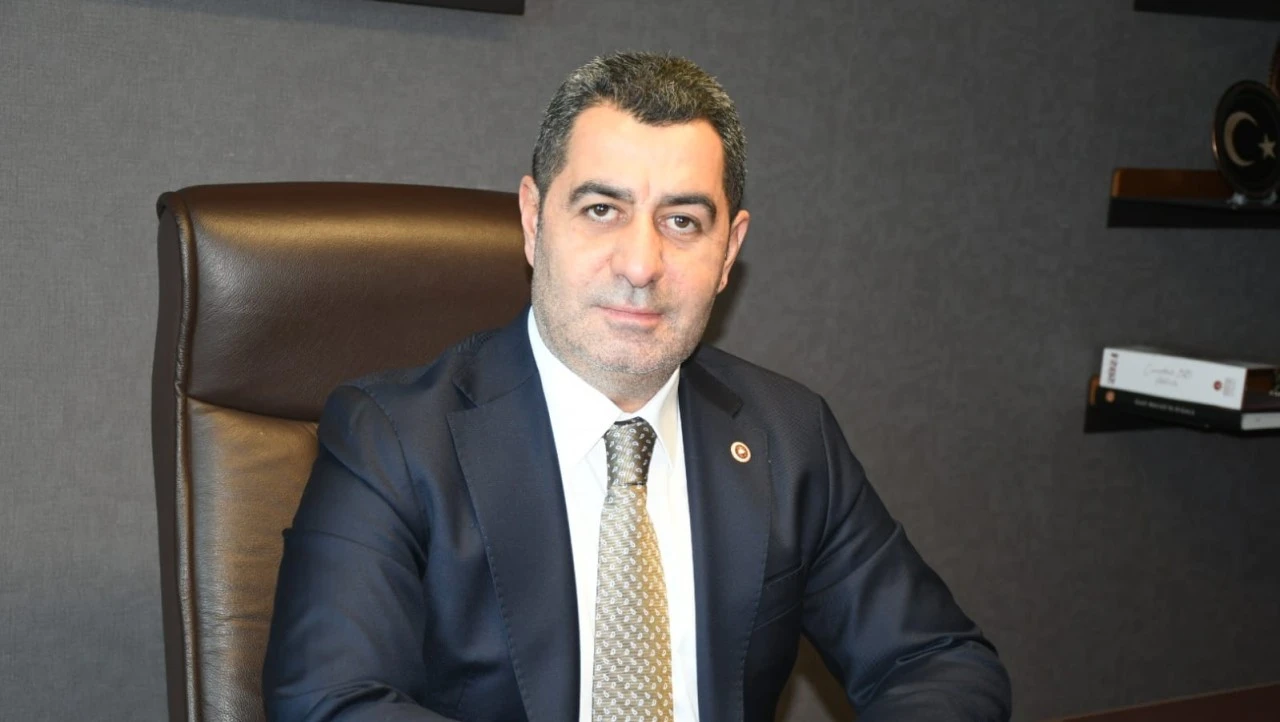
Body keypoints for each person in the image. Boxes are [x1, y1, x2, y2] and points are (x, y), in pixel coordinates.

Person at [262, 51, 1011, 722]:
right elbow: (331, 699)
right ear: (533, 219)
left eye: (682, 222)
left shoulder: (788, 435)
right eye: (602, 210)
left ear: (729, 252)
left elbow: (940, 663)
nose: (642, 265)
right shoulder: (394, 438)